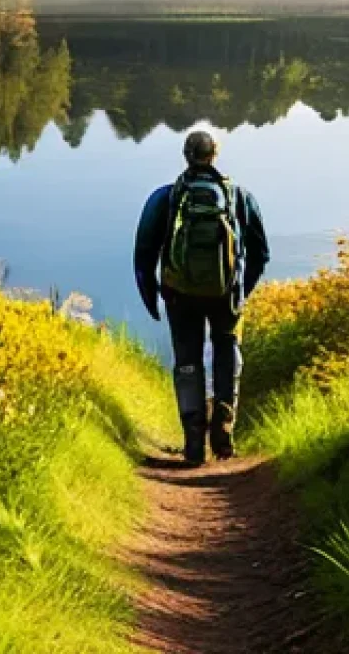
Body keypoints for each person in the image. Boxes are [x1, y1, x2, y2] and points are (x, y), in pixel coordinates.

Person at [134, 130, 269, 466]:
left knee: (187, 360)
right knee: (227, 350)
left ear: (186, 155)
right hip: (226, 294)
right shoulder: (238, 196)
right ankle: (223, 435)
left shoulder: (165, 198)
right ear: (214, 155)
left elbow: (144, 253)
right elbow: (261, 253)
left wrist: (151, 297)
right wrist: (241, 290)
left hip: (179, 295)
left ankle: (194, 443)